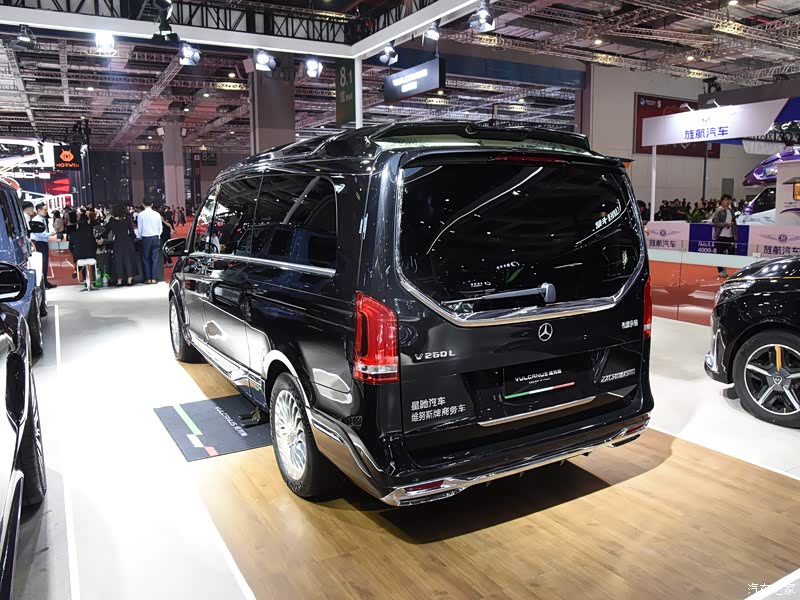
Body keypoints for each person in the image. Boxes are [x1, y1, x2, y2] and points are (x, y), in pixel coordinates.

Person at [102, 204, 137, 286]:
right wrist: (131, 239)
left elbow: (105, 232)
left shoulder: (112, 220)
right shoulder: (127, 220)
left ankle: (119, 281)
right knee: (128, 260)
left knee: (118, 261)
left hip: (117, 242)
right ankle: (129, 280)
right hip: (127, 242)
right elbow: (132, 234)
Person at [31, 203, 57, 289]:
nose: (46, 211)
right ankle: (43, 283)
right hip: (39, 243)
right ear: (39, 210)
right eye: (45, 209)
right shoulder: (36, 220)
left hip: (43, 242)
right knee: (42, 263)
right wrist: (49, 234)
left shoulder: (42, 219)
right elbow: (38, 233)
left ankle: (45, 282)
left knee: (45, 263)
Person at [137, 198, 163, 284]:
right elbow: (160, 228)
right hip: (156, 237)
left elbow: (140, 229)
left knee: (146, 258)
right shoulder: (157, 214)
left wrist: (140, 236)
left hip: (146, 238)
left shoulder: (141, 215)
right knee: (155, 258)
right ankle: (154, 278)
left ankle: (148, 278)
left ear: (143, 204)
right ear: (152, 204)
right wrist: (158, 235)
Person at [712, 194, 738, 278]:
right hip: (721, 236)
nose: (727, 202)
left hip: (730, 236)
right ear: (722, 201)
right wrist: (726, 224)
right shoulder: (718, 211)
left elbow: (734, 223)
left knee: (731, 254)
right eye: (726, 200)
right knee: (720, 254)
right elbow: (715, 222)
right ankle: (721, 271)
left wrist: (735, 235)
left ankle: (725, 269)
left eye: (729, 200)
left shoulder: (731, 211)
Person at [69, 214, 97, 286]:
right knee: (87, 257)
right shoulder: (90, 233)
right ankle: (90, 278)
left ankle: (82, 276)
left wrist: (75, 253)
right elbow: (94, 244)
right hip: (90, 254)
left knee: (81, 257)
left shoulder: (73, 234)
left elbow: (70, 247)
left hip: (78, 255)